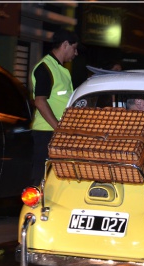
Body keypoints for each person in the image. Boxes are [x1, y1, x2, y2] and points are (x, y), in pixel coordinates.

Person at [30, 28, 80, 185]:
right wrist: (59, 129)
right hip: (47, 133)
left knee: (55, 181)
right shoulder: (45, 68)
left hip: (55, 132)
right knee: (41, 179)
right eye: (74, 48)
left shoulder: (60, 69)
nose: (76, 53)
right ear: (65, 45)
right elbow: (40, 101)